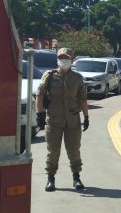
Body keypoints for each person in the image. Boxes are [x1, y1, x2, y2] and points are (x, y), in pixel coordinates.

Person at [35, 47, 89, 192]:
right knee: (53, 151)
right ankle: (50, 178)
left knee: (74, 150)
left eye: (67, 58)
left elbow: (83, 98)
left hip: (72, 120)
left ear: (72, 60)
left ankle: (76, 177)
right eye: (61, 57)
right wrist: (39, 114)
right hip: (54, 119)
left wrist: (86, 116)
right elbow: (39, 95)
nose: (64, 60)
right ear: (57, 59)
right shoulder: (49, 76)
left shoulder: (77, 78)